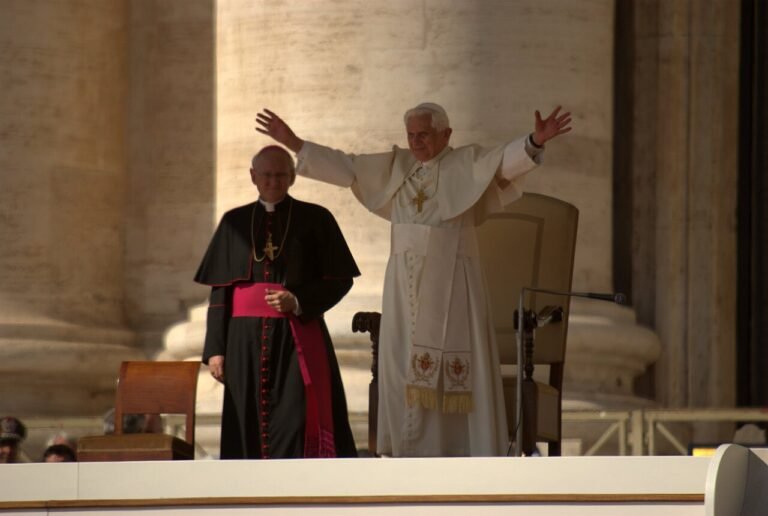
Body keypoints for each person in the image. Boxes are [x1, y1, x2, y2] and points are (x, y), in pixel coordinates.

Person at [255, 102, 571, 457]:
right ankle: (406, 449)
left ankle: (462, 448)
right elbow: (348, 167)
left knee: (453, 365)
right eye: (411, 135)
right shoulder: (397, 167)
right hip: (402, 291)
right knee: (402, 362)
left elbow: (502, 162)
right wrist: (295, 142)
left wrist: (535, 142)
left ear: (446, 135)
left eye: (424, 134)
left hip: (454, 284)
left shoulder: (465, 164)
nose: (416, 142)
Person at [195, 145, 360, 459]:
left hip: (296, 333)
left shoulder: (316, 218)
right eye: (267, 175)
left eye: (281, 175)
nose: (273, 181)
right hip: (242, 341)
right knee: (245, 418)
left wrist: (298, 301)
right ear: (253, 177)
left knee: (295, 416)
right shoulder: (234, 222)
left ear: (293, 177)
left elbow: (341, 279)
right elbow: (220, 292)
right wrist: (215, 349)